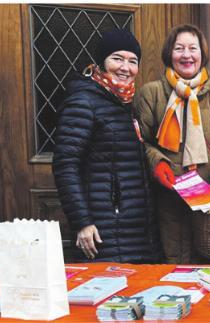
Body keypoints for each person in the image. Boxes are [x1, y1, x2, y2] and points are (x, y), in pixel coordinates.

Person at [134, 24, 210, 264]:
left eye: (192, 48)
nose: (186, 55)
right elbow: (140, 143)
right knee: (172, 269)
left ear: (202, 54)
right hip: (167, 199)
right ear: (169, 54)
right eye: (179, 48)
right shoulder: (150, 94)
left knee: (209, 269)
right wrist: (157, 164)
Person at [53, 29, 161, 263]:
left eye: (132, 61)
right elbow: (65, 165)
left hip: (134, 230)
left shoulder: (124, 103)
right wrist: (82, 222)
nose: (125, 67)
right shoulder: (83, 102)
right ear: (101, 63)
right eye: (117, 59)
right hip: (102, 230)